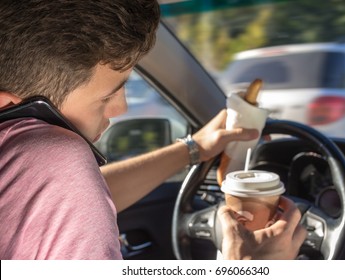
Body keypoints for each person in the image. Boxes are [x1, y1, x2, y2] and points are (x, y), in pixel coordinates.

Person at [0, 0, 306, 260]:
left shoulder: (26, 166)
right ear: (7, 104)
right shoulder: (55, 160)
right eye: (106, 96)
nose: (121, 110)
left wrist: (194, 148)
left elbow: (68, 202)